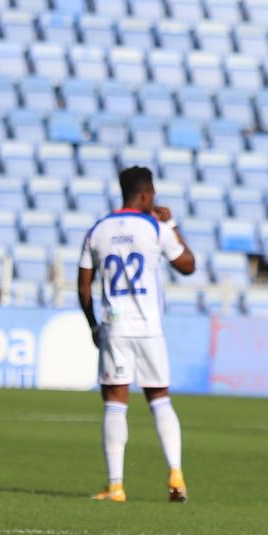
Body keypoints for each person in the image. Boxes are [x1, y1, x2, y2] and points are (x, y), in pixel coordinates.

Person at [78, 166, 197, 503]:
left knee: (115, 404)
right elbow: (188, 266)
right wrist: (172, 225)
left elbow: (84, 288)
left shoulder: (97, 230)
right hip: (149, 328)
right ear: (146, 195)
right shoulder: (154, 226)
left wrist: (92, 326)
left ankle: (116, 485)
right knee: (160, 399)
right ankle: (175, 472)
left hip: (115, 327)